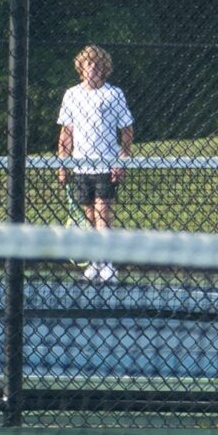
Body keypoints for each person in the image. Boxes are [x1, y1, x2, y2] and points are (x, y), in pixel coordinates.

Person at [54, 45, 134, 283]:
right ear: (81, 67)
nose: (93, 67)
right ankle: (95, 262)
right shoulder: (71, 95)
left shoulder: (114, 94)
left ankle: (107, 263)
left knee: (103, 213)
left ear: (105, 68)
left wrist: (122, 161)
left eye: (98, 64)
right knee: (89, 216)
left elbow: (127, 130)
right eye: (89, 64)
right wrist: (63, 164)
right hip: (80, 167)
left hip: (106, 166)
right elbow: (66, 133)